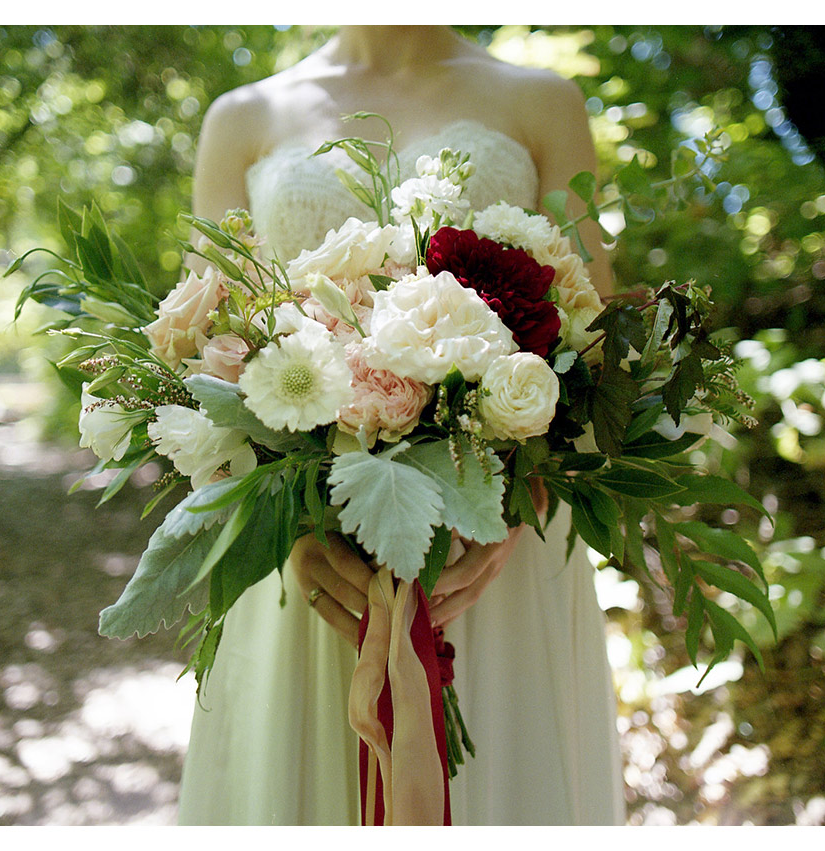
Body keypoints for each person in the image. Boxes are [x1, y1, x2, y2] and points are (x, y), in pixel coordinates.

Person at [176, 25, 625, 825]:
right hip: (307, 555)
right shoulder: (241, 119)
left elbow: (596, 336)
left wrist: (526, 496)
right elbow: (214, 347)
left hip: (496, 549)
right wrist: (291, 528)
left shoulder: (542, 102)